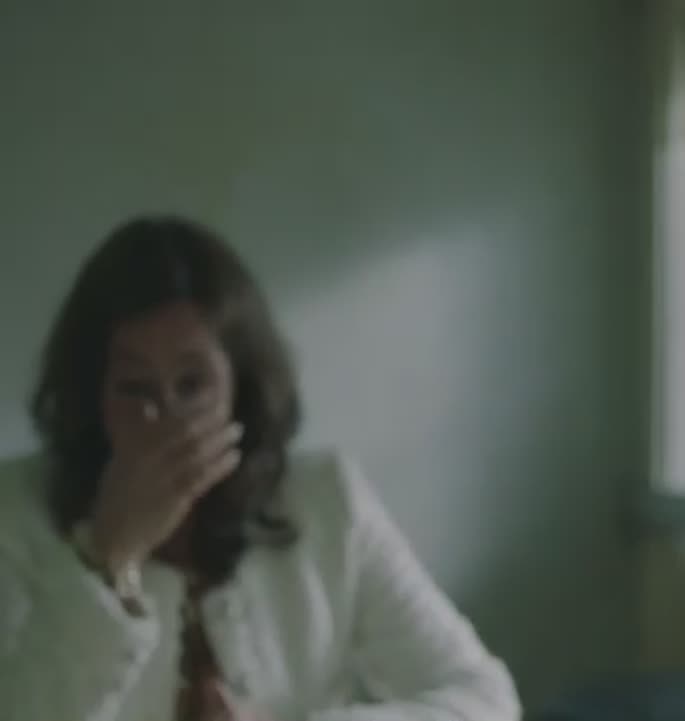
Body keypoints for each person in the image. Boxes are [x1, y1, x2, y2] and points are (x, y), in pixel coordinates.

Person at [0, 216, 522, 721]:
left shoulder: (326, 500)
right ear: (93, 396)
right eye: (136, 388)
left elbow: (484, 700)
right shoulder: (16, 513)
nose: (166, 421)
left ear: (239, 387)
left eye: (192, 385)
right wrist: (106, 557)